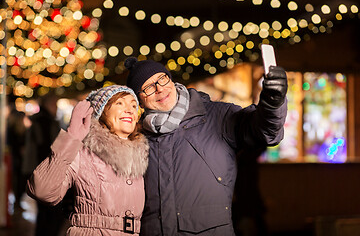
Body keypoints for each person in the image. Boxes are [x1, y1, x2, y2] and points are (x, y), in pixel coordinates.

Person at [124, 57, 288, 236]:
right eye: (148, 88)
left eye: (162, 79)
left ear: (171, 79)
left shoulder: (217, 116)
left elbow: (264, 132)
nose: (159, 89)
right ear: (139, 100)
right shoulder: (134, 139)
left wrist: (273, 103)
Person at [26, 85, 149, 235]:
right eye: (119, 103)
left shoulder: (142, 157)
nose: (130, 109)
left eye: (134, 105)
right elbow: (42, 191)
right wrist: (71, 138)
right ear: (102, 111)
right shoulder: (82, 153)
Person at [23, 93, 66, 236]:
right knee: (50, 213)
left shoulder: (40, 120)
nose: (56, 108)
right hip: (45, 170)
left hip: (36, 169)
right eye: (55, 104)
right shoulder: (45, 122)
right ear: (49, 104)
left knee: (44, 213)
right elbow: (46, 147)